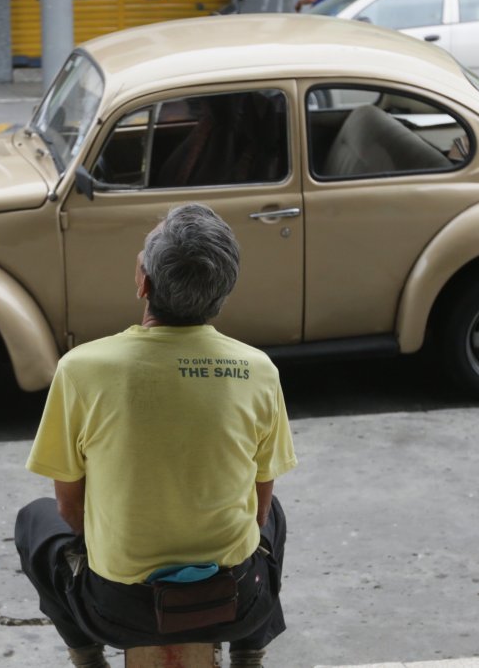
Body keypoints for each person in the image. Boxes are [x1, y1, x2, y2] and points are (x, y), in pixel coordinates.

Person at [15, 204, 298, 668]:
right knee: (274, 516)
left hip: (117, 611)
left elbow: (70, 509)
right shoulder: (257, 370)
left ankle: (86, 655)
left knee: (34, 520)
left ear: (143, 283)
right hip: (236, 603)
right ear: (222, 292)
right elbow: (260, 505)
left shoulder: (82, 370)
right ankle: (250, 650)